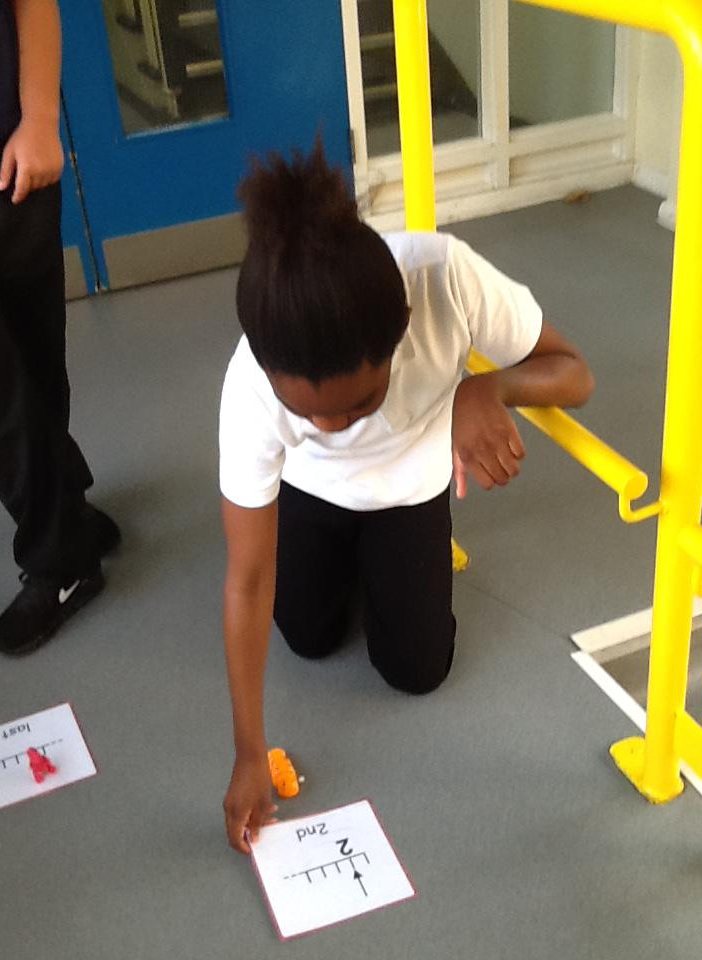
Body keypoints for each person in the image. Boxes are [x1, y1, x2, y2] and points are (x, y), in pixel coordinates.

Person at [219, 142, 594, 853]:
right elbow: (246, 578)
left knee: (419, 673)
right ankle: (352, 565)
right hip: (311, 493)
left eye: (360, 403)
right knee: (307, 638)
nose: (335, 428)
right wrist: (247, 751)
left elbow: (575, 372)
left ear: (401, 334)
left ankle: (384, 565)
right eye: (308, 413)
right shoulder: (248, 389)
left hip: (411, 491)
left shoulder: (445, 278)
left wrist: (487, 387)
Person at [0, 0, 119, 657]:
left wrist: (39, 120)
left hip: (6, 153)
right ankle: (60, 553)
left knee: (36, 354)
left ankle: (64, 510)